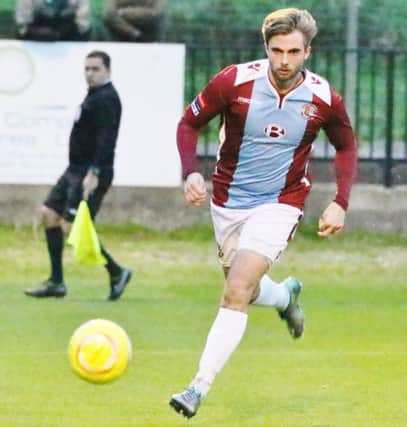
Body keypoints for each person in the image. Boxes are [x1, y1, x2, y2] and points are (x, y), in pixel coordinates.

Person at [169, 8, 357, 418]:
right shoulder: (233, 82)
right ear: (266, 49)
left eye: (293, 51)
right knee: (248, 292)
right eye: (277, 51)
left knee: (235, 290)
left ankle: (196, 388)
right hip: (227, 202)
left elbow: (345, 145)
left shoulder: (323, 98)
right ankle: (285, 295)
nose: (284, 61)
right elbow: (188, 124)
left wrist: (340, 201)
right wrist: (190, 174)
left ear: (307, 51)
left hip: (281, 202)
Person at [24, 50, 132, 301]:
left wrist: (94, 172)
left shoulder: (107, 98)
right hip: (74, 169)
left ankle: (117, 272)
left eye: (95, 69)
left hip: (90, 172)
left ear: (108, 71)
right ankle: (56, 282)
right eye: (87, 69)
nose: (90, 74)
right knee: (49, 214)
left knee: (74, 227)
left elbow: (107, 140)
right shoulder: (94, 95)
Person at [15, 0, 91, 41]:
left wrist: (59, 34)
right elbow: (22, 26)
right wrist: (37, 32)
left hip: (69, 35)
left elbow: (83, 26)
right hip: (34, 38)